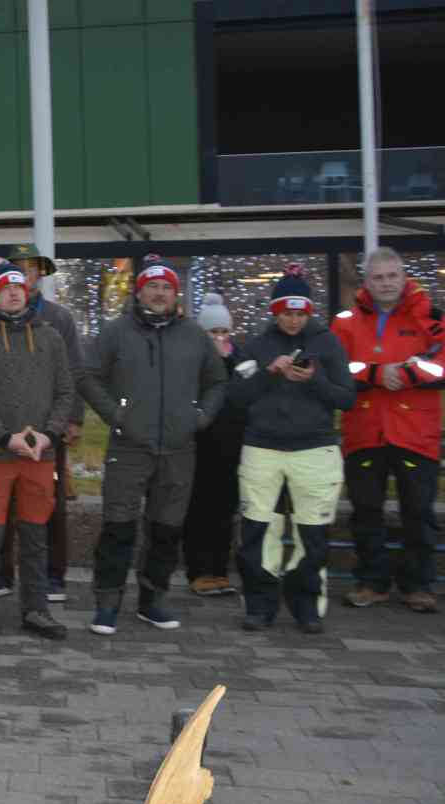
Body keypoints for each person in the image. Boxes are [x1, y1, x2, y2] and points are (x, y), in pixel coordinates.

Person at [79, 255, 228, 635]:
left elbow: (216, 381)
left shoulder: (193, 335)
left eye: (166, 288)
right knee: (118, 528)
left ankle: (152, 600)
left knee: (165, 530)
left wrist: (200, 417)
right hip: (129, 447)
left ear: (175, 294)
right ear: (139, 291)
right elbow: (89, 376)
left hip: (178, 449)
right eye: (152, 286)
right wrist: (117, 415)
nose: (159, 293)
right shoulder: (116, 332)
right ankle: (107, 604)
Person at [230, 266, 354, 632]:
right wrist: (269, 373)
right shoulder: (256, 346)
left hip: (315, 450)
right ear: (275, 312)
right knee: (258, 530)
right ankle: (259, 606)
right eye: (286, 313)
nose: (294, 320)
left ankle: (307, 607)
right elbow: (236, 397)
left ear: (309, 312)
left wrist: (314, 380)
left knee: (312, 534)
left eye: (300, 313)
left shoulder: (328, 344)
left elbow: (346, 398)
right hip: (262, 449)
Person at [0, 259, 75, 643]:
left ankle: (36, 609)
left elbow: (65, 391)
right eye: (5, 288)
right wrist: (3, 436)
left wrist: (49, 434)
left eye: (18, 287)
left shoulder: (51, 338)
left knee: (36, 534)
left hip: (39, 456)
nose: (13, 292)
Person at [334, 247, 443, 613]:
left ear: (403, 277)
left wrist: (409, 373)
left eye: (392, 276)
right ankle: (371, 582)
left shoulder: (431, 316)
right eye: (378, 277)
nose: (386, 283)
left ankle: (418, 586)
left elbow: (443, 362)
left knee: (419, 513)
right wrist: (379, 373)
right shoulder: (345, 322)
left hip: (415, 433)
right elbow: (336, 368)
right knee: (366, 512)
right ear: (366, 281)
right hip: (365, 431)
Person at [0, 244, 86, 603]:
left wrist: (73, 418)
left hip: (48, 428)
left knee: (51, 502)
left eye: (30, 270)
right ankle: (1, 574)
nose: (24, 277)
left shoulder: (59, 318)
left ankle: (52, 576)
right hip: (3, 429)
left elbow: (74, 371)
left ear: (39, 276)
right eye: (18, 269)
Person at [185, 296, 248, 597]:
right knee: (199, 510)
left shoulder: (240, 360)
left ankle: (220, 571)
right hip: (199, 445)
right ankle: (198, 571)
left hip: (231, 445)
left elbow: (245, 393)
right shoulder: (192, 360)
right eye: (213, 332)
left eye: (224, 331)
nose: (220, 338)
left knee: (225, 510)